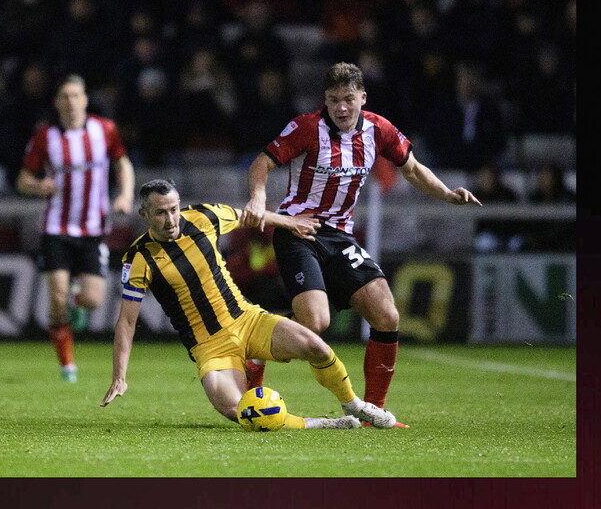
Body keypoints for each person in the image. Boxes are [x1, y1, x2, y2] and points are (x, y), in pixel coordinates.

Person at [240, 62, 482, 427]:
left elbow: (413, 169)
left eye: (348, 99)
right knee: (316, 323)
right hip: (298, 231)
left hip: (339, 235)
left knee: (387, 314)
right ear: (325, 100)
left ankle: (373, 412)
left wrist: (447, 194)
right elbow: (262, 162)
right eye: (334, 100)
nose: (341, 107)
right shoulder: (306, 128)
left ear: (362, 98)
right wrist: (258, 198)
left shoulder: (378, 129)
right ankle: (257, 350)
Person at [100, 179, 397, 430]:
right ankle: (323, 423)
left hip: (248, 320)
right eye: (161, 213)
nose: (171, 219)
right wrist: (119, 376)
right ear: (144, 214)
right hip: (210, 349)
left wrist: (290, 222)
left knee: (316, 347)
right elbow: (127, 322)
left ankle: (355, 406)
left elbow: (252, 216)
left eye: (174, 209)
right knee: (241, 412)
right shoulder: (139, 258)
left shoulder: (204, 217)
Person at [17, 74, 135, 382]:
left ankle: (76, 300)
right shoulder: (45, 137)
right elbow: (23, 179)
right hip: (56, 227)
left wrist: (124, 194)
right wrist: (38, 185)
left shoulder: (104, 130)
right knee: (56, 299)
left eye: (76, 95)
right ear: (57, 102)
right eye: (64, 96)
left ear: (84, 99)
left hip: (94, 228)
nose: (71, 101)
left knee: (94, 300)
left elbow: (122, 163)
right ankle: (67, 365)